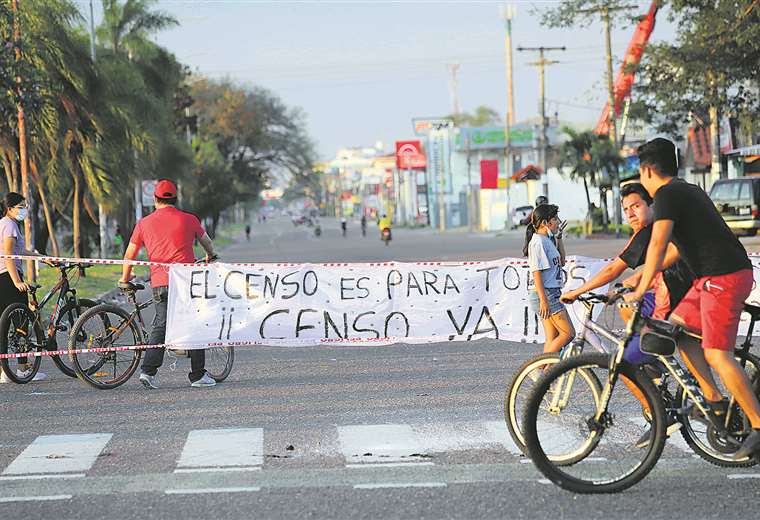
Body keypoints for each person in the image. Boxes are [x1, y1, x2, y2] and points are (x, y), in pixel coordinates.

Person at [624, 137, 760, 459]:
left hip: (723, 278)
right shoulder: (685, 189)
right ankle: (713, 403)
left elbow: (657, 246)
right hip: (711, 278)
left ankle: (758, 425)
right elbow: (674, 250)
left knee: (716, 354)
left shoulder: (668, 196)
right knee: (678, 331)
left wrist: (641, 289)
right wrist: (636, 279)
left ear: (647, 170)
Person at [561, 182, 695, 445]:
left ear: (651, 206)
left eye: (636, 206)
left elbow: (613, 271)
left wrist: (578, 292)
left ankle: (659, 415)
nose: (631, 214)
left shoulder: (647, 232)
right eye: (626, 209)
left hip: (672, 293)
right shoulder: (653, 230)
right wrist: (625, 287)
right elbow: (642, 272)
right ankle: (653, 363)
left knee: (623, 365)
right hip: (678, 289)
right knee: (626, 305)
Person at [119, 179, 218, 389]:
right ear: (175, 198)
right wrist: (211, 256)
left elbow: (130, 254)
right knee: (194, 323)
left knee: (161, 325)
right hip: (186, 281)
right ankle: (198, 375)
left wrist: (125, 278)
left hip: (160, 282)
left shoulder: (143, 223)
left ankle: (148, 371)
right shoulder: (189, 219)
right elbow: (207, 242)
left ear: (155, 200)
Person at [0, 192, 46, 383]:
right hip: (9, 277)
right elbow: (9, 255)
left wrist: (40, 257)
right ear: (9, 208)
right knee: (21, 321)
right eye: (21, 206)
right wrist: (17, 281)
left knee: (3, 323)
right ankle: (22, 367)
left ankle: (3, 372)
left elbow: (20, 251)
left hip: (2, 276)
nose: (24, 209)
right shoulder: (10, 225)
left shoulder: (5, 223)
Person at [524, 204, 575, 354]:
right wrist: (544, 301)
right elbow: (536, 272)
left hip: (548, 292)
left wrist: (559, 237)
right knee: (568, 333)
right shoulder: (538, 242)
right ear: (545, 223)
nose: (558, 222)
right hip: (546, 294)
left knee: (552, 337)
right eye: (555, 219)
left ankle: (544, 373)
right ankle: (538, 369)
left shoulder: (547, 240)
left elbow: (562, 261)